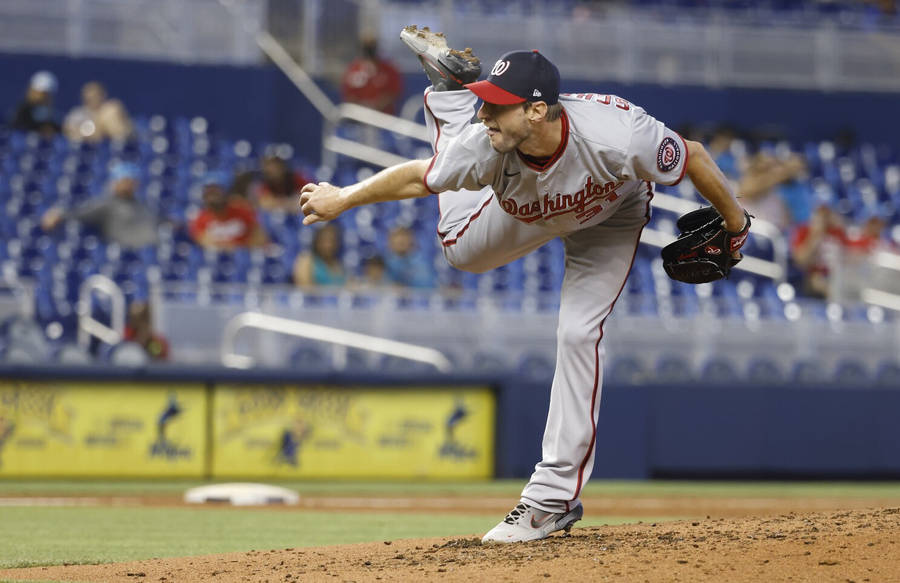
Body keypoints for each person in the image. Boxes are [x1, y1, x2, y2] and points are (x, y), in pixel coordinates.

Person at [299, 26, 750, 543]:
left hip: (610, 215)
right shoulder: (484, 144)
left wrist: (736, 225)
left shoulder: (619, 134)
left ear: (537, 110)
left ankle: (550, 500)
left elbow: (690, 154)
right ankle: (449, 94)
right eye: (481, 102)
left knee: (580, 334)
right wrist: (345, 197)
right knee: (460, 251)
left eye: (495, 105)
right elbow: (416, 178)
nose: (485, 114)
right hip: (533, 207)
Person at [41, 162, 158, 249]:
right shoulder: (106, 204)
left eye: (131, 182)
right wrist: (59, 214)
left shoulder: (142, 205)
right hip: (120, 253)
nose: (128, 185)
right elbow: (80, 214)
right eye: (124, 181)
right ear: (115, 183)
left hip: (145, 253)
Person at [189, 172, 267, 251]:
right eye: (209, 193)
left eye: (216, 192)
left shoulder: (242, 211)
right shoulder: (201, 218)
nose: (213, 198)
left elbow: (260, 238)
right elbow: (203, 241)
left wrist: (240, 248)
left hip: (241, 257)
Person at [790, 205, 846, 299]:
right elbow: (800, 261)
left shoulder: (838, 232)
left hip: (837, 277)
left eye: (827, 213)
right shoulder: (804, 231)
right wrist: (815, 236)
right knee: (817, 281)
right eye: (820, 213)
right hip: (811, 279)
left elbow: (849, 259)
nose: (823, 217)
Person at [340, 35, 403, 115]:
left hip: (384, 117)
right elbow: (348, 94)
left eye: (371, 46)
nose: (369, 50)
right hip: (358, 117)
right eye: (366, 47)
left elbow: (393, 93)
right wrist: (363, 108)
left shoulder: (389, 69)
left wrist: (376, 107)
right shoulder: (353, 69)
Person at [63, 81, 134, 143]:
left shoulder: (111, 109)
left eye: (95, 96)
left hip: (113, 144)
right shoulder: (77, 114)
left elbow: (129, 130)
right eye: (89, 98)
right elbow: (70, 133)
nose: (93, 100)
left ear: (103, 95)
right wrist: (99, 126)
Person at [10, 71, 60, 136]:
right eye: (41, 93)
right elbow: (17, 126)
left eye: (47, 94)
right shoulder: (23, 110)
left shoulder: (50, 112)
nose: (43, 97)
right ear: (32, 91)